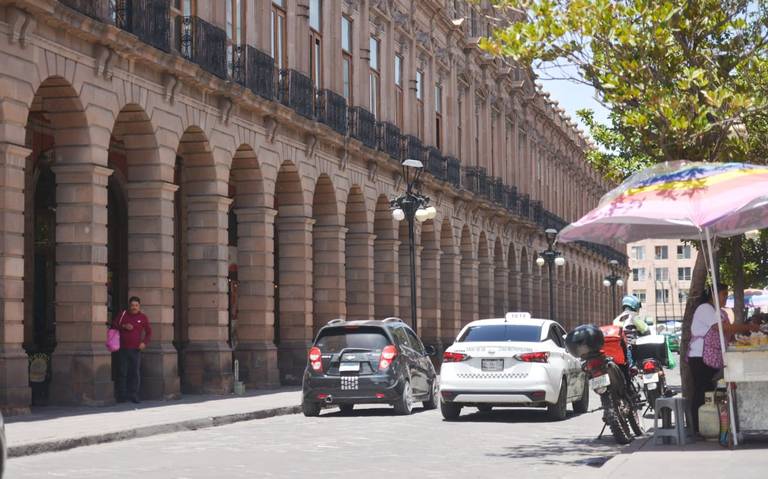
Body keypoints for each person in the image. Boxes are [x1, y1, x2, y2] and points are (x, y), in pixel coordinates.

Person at [688, 282, 758, 433]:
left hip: (712, 357)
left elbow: (728, 332)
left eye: (727, 295)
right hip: (700, 357)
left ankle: (709, 426)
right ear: (714, 295)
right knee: (702, 391)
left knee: (710, 391)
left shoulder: (719, 312)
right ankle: (696, 427)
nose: (725, 298)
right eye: (723, 295)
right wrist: (749, 328)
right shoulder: (705, 309)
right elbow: (722, 327)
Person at [112, 296, 152, 403]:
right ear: (129, 306)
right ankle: (122, 395)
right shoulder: (123, 314)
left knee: (135, 373)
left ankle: (134, 395)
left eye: (136, 305)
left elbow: (149, 332)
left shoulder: (143, 317)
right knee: (122, 372)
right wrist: (124, 326)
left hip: (136, 350)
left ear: (139, 306)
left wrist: (144, 343)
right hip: (123, 349)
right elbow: (114, 325)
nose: (134, 307)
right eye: (132, 305)